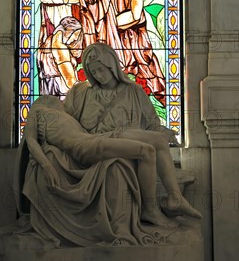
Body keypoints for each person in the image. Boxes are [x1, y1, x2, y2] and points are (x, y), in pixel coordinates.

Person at [64, 42, 201, 220]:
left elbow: (152, 123)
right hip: (97, 141)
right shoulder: (81, 92)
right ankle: (167, 201)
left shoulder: (134, 91)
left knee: (158, 140)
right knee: (155, 142)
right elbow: (65, 120)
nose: (98, 75)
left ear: (111, 65)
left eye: (101, 69)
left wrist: (164, 132)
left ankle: (173, 198)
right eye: (93, 72)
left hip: (121, 139)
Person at [24, 95, 171, 227]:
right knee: (147, 151)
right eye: (59, 100)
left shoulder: (66, 117)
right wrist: (46, 165)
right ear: (47, 100)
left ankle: (169, 199)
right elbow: (31, 140)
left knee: (154, 143)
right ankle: (150, 210)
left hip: (95, 138)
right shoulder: (38, 110)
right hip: (86, 147)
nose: (62, 102)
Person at [110, 0, 166, 106]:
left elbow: (135, 14)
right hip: (117, 37)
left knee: (146, 70)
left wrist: (111, 24)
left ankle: (160, 102)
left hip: (135, 37)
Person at [37, 16, 83, 97]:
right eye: (75, 34)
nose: (76, 38)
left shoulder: (47, 43)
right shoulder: (59, 47)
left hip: (48, 89)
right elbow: (69, 80)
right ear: (68, 31)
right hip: (61, 91)